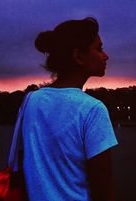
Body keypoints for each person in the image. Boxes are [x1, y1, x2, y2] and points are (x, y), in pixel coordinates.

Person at [22, 17, 118, 201]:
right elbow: (103, 190)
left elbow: (24, 163)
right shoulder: (92, 110)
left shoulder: (31, 101)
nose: (106, 56)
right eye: (99, 48)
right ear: (78, 56)